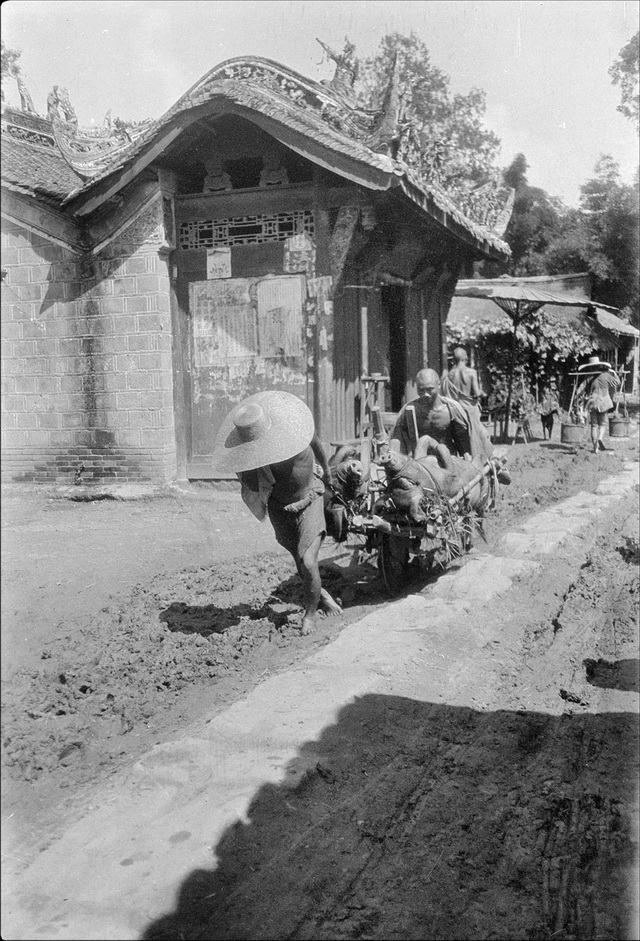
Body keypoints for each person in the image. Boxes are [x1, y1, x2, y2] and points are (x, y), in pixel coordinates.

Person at [211, 390, 342, 634]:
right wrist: (253, 469)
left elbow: (317, 444)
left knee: (308, 560)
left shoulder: (295, 434)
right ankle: (320, 595)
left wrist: (327, 470)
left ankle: (310, 614)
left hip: (309, 499)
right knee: (298, 559)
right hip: (279, 507)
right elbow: (251, 486)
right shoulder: (250, 456)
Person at [390, 368, 511, 484]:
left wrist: (469, 459)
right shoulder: (409, 410)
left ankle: (494, 470)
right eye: (421, 390)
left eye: (430, 389)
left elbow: (465, 438)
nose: (425, 394)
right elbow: (397, 438)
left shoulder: (451, 409)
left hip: (448, 459)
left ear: (439, 384)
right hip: (419, 461)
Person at [576, 356, 621, 453]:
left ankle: (595, 447)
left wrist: (579, 399)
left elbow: (579, 390)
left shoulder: (588, 377)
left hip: (593, 402)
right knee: (603, 423)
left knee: (594, 425)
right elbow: (617, 383)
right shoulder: (606, 375)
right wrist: (614, 374)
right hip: (604, 401)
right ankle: (600, 438)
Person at [441, 346, 484, 412]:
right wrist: (482, 393)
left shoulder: (448, 375)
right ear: (465, 358)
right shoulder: (472, 372)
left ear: (454, 360)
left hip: (453, 408)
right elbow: (477, 393)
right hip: (468, 408)